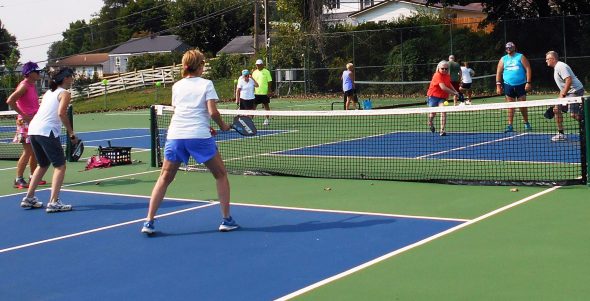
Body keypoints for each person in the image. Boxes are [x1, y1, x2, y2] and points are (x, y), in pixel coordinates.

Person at [142, 49, 238, 234]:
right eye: (203, 63)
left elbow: (182, 110)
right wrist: (223, 126)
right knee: (220, 175)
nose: (204, 67)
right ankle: (226, 219)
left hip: (175, 135)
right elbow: (213, 112)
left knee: (164, 178)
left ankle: (148, 222)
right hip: (198, 137)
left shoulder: (177, 86)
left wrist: (206, 125)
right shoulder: (207, 84)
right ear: (200, 65)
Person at [20, 67, 77, 212]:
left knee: (43, 164)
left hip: (33, 130)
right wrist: (71, 133)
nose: (72, 79)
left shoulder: (48, 93)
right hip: (47, 131)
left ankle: (29, 198)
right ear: (65, 78)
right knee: (60, 166)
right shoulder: (65, 93)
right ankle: (53, 202)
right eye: (71, 76)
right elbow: (61, 113)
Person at [6, 61, 47, 189]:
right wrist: (23, 115)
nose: (39, 73)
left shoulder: (32, 85)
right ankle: (18, 179)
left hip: (34, 121)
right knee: (28, 151)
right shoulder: (23, 86)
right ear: (30, 73)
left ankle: (33, 176)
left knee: (35, 151)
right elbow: (10, 101)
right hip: (25, 122)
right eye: (37, 72)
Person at [545, 50, 584, 142]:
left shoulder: (560, 66)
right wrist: (559, 99)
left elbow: (569, 80)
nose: (546, 61)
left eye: (547, 59)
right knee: (556, 109)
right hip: (568, 92)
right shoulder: (557, 67)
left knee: (574, 114)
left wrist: (563, 95)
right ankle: (561, 134)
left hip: (575, 91)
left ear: (553, 59)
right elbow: (563, 86)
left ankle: (587, 126)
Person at [496, 42, 533, 133]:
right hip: (508, 85)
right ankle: (510, 125)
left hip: (521, 84)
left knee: (522, 105)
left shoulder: (520, 56)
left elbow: (528, 68)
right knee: (510, 106)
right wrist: (498, 85)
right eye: (507, 48)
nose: (508, 49)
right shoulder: (503, 59)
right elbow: (498, 72)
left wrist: (528, 82)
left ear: (514, 48)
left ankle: (526, 122)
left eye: (510, 47)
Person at [427, 61, 460, 136]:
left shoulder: (447, 75)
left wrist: (455, 91)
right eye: (443, 68)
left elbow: (449, 84)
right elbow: (443, 87)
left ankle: (442, 130)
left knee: (443, 110)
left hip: (443, 97)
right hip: (433, 96)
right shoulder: (437, 75)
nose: (444, 70)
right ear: (439, 68)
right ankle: (430, 122)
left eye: (446, 68)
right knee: (432, 114)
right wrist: (454, 93)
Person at [252, 59, 273, 125]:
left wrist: (269, 91)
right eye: (256, 65)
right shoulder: (254, 72)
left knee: (266, 106)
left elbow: (269, 81)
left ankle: (267, 120)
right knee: (253, 107)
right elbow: (252, 82)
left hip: (264, 93)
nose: (257, 66)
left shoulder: (266, 72)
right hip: (256, 93)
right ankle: (251, 120)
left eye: (258, 65)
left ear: (262, 65)